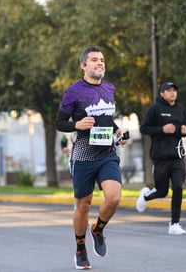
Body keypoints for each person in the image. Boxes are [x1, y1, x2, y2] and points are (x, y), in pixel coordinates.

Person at [55, 46, 128, 270]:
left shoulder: (109, 88)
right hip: (84, 156)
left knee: (114, 198)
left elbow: (106, 117)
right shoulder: (73, 91)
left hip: (106, 153)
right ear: (83, 65)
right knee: (84, 206)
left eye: (102, 60)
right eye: (94, 60)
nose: (100, 63)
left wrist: (117, 132)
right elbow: (60, 123)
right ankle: (80, 249)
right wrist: (76, 125)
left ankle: (98, 229)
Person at [137, 81, 186, 235]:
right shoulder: (155, 108)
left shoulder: (181, 109)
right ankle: (146, 196)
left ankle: (174, 224)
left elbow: (184, 127)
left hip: (177, 156)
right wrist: (162, 129)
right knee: (162, 191)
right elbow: (143, 128)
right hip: (160, 156)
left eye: (174, 90)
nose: (173, 93)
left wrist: (185, 131)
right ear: (162, 93)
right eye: (169, 90)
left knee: (178, 187)